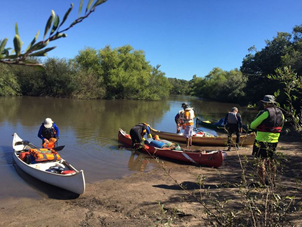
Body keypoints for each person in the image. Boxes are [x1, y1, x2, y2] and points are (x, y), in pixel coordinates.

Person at [250, 95, 284, 187]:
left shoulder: (265, 112)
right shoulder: (281, 113)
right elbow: (281, 126)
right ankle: (273, 181)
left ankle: (262, 183)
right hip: (274, 141)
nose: (264, 105)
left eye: (264, 103)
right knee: (271, 160)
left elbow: (252, 125)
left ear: (266, 104)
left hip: (262, 140)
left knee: (260, 161)